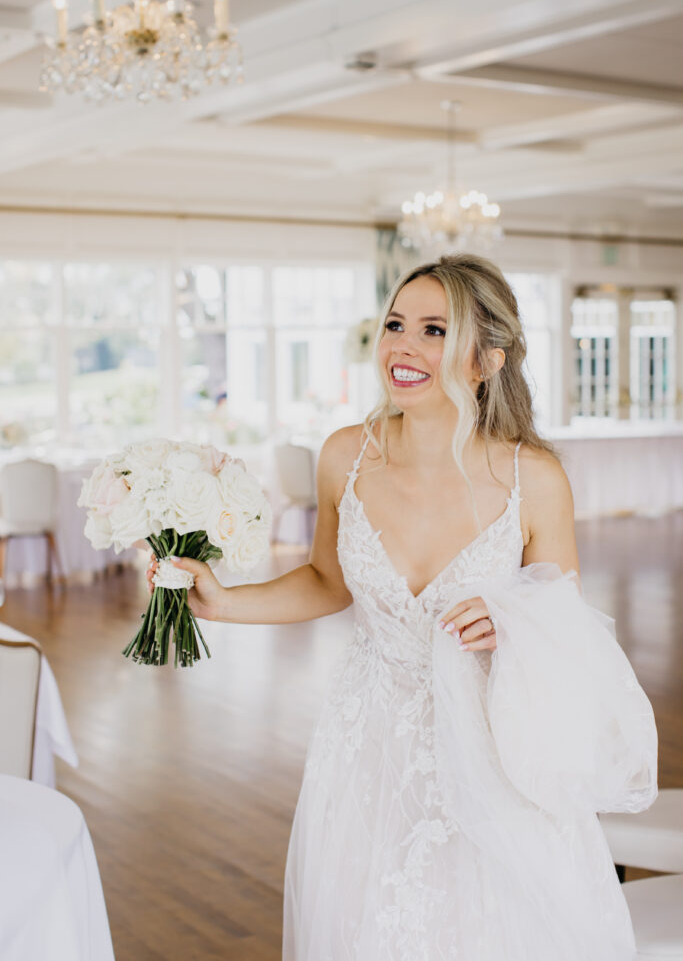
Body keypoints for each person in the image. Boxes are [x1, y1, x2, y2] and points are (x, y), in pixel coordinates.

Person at [148, 254, 656, 960]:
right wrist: (223, 603)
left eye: (432, 330)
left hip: (491, 753)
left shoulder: (531, 477)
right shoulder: (344, 457)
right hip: (367, 747)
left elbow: (569, 637)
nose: (402, 346)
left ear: (484, 359)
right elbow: (326, 580)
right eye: (394, 324)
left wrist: (512, 622)